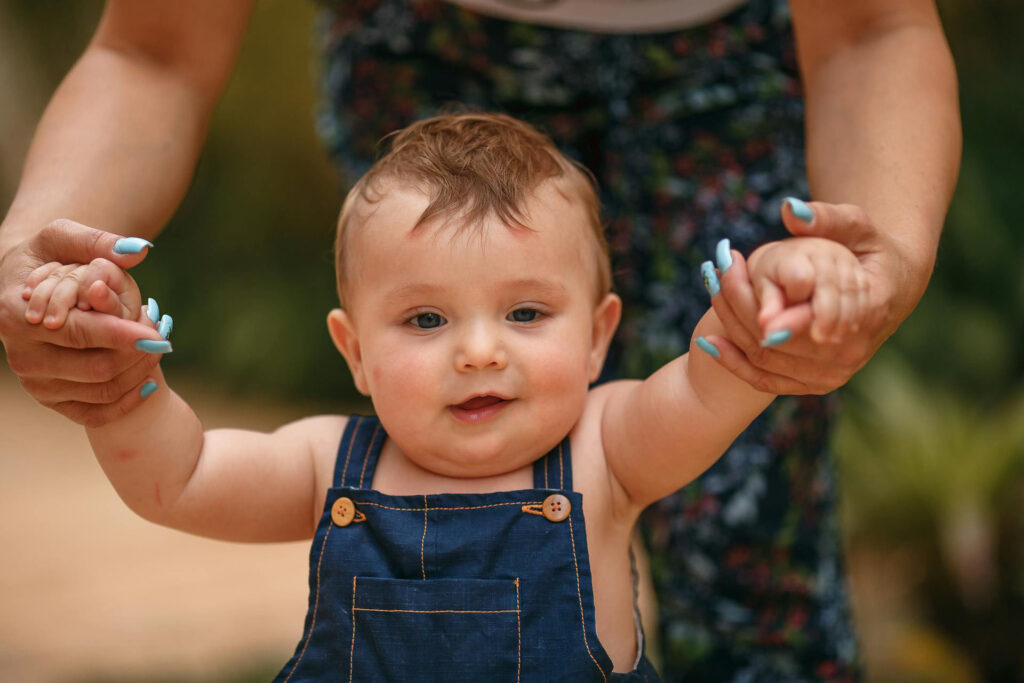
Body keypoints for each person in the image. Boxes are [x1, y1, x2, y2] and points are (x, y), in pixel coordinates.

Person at [0, 1, 960, 679]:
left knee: (757, 560)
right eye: (425, 319)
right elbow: (179, 478)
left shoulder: (608, 449)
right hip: (425, 44)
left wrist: (788, 297)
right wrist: (120, 383)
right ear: (353, 350)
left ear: (600, 338)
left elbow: (725, 372)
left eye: (528, 314)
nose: (478, 352)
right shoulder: (330, 461)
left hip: (727, 71)